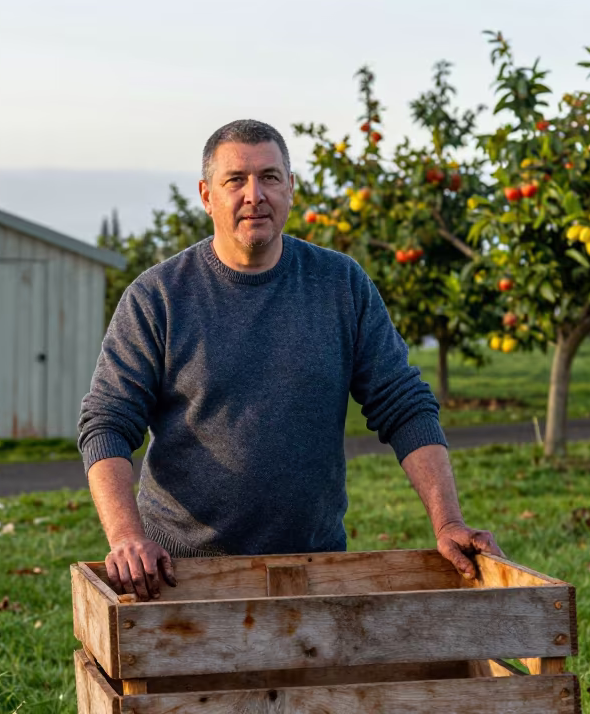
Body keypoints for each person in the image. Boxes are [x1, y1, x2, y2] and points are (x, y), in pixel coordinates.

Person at [77, 119, 502, 601]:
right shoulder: (158, 298)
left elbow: (403, 404)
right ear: (205, 194)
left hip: (314, 565)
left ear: (291, 188)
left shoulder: (340, 285)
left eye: (270, 177)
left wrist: (448, 521)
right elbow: (107, 422)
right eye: (235, 180)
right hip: (181, 576)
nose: (254, 194)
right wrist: (127, 537)